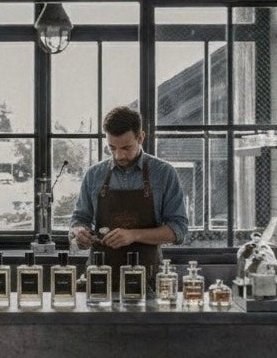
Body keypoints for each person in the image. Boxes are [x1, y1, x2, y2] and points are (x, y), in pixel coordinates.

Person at [69, 105, 188, 286]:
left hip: (147, 278)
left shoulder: (164, 173)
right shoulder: (94, 175)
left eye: (126, 147)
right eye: (112, 148)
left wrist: (134, 235)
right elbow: (79, 219)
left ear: (140, 137)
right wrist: (78, 233)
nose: (119, 155)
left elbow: (178, 230)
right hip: (99, 278)